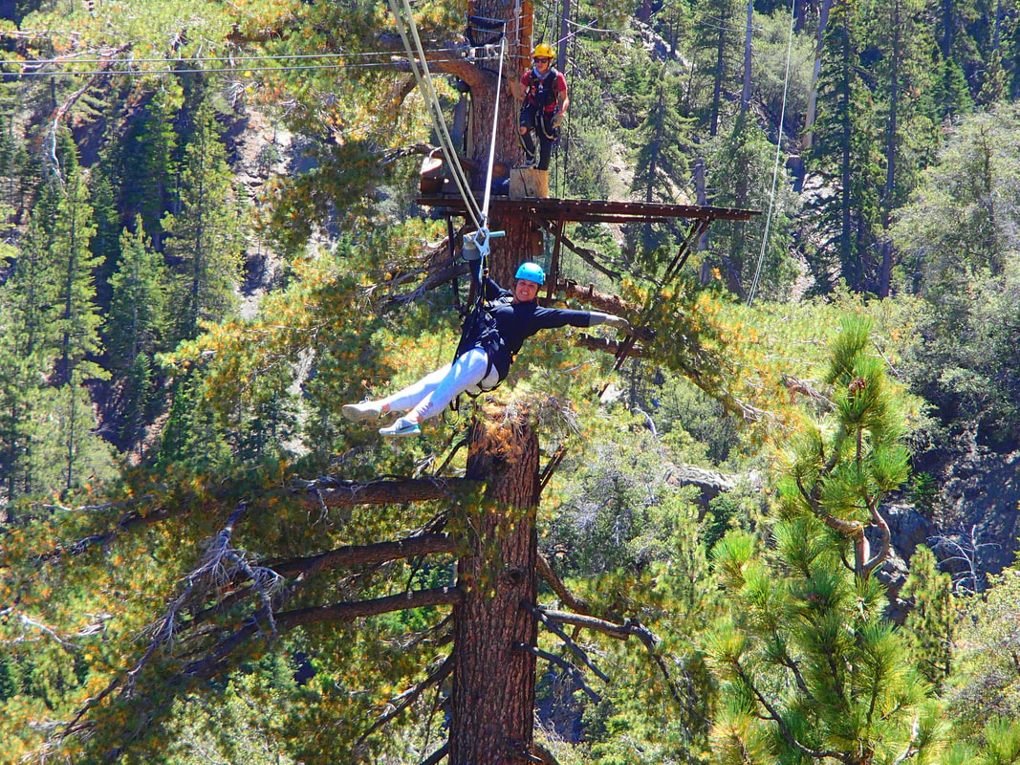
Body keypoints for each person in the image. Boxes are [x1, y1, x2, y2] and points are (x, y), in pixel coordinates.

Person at [342, 261, 630, 437]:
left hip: (491, 363)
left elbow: (571, 318)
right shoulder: (502, 298)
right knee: (429, 383)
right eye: (522, 284)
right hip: (474, 357)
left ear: (537, 290)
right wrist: (475, 248)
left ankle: (412, 420)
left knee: (454, 379)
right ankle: (379, 407)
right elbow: (480, 276)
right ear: (516, 284)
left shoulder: (535, 315)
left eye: (531, 286)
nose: (525, 289)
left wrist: (610, 319)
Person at [518, 43, 569, 171]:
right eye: (537, 60)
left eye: (543, 60)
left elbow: (564, 98)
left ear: (549, 61)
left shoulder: (557, 77)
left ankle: (540, 174)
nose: (539, 63)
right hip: (533, 108)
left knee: (545, 154)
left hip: (549, 113)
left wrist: (561, 113)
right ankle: (530, 156)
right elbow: (520, 92)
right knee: (523, 128)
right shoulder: (529, 76)